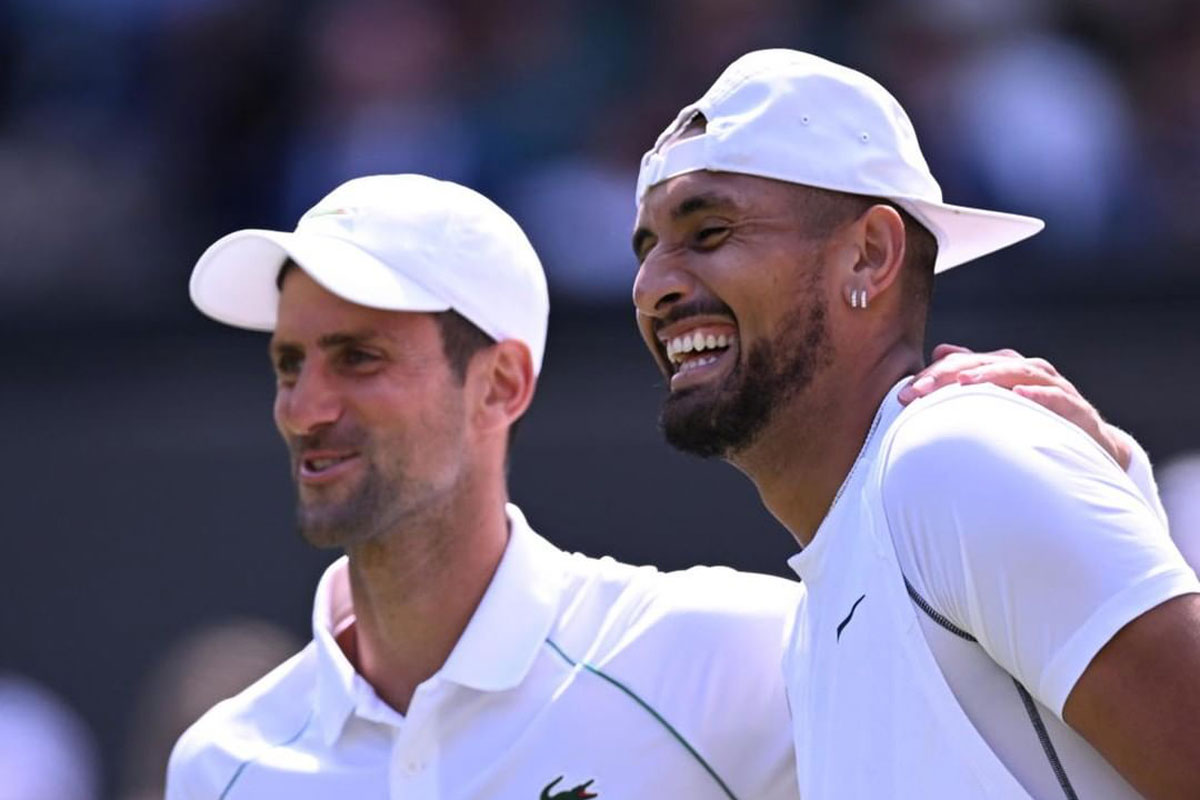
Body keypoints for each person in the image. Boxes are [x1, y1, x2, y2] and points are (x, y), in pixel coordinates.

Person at [168, 173, 1144, 799]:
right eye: (289, 363)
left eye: (359, 357)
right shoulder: (219, 764)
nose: (305, 405)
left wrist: (1108, 477)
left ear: (500, 382)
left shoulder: (739, 651)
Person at [631, 49, 1200, 799]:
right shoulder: (823, 617)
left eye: (709, 232)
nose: (652, 286)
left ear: (869, 257)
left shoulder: (951, 464)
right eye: (646, 249)